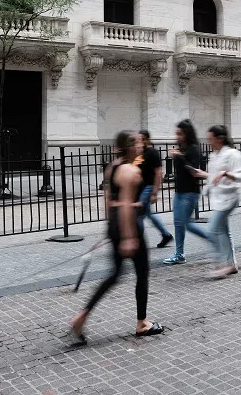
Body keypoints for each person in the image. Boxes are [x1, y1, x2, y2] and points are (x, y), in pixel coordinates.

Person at [70, 130, 163, 341]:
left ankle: (82, 316)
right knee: (142, 272)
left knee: (115, 274)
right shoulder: (130, 172)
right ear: (130, 147)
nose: (140, 147)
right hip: (129, 226)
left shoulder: (112, 168)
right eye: (137, 144)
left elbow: (110, 203)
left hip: (115, 224)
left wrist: (111, 229)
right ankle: (142, 323)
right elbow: (127, 205)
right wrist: (129, 236)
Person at [190, 125, 241, 279]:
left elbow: (240, 175)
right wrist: (204, 175)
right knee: (223, 231)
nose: (209, 142)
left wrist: (225, 173)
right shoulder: (214, 155)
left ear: (220, 138)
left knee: (213, 230)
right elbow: (214, 176)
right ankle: (231, 264)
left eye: (211, 139)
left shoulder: (232, 154)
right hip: (219, 198)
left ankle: (221, 265)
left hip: (230, 197)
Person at [163, 119, 211, 265]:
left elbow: (193, 170)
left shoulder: (193, 149)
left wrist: (179, 158)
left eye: (180, 134)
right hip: (179, 191)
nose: (177, 136)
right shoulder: (182, 149)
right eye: (176, 133)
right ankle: (179, 254)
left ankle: (214, 239)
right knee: (178, 223)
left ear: (187, 134)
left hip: (191, 192)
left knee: (187, 223)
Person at [137, 130, 173, 248]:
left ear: (147, 139)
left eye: (142, 138)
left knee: (139, 214)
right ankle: (166, 234)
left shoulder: (152, 153)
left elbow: (158, 172)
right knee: (149, 214)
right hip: (142, 187)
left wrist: (154, 193)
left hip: (149, 186)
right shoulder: (140, 153)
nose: (140, 141)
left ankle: (139, 242)